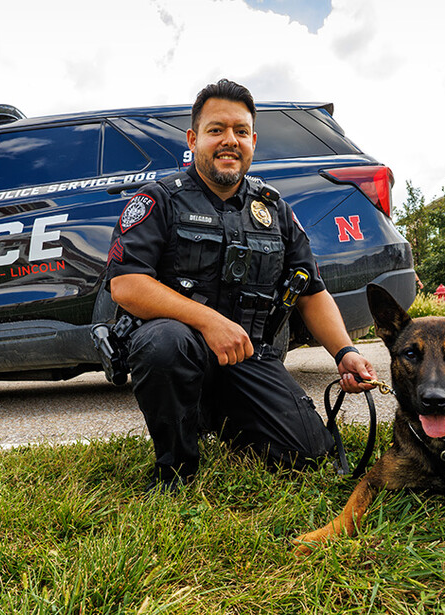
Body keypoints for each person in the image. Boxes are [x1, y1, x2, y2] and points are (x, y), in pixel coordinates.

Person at [103, 79, 376, 492]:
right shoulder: (160, 199)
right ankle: (176, 469)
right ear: (194, 139)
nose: (229, 141)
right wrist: (210, 322)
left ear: (253, 141)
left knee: (308, 454)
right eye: (216, 130)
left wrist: (346, 352)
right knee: (162, 343)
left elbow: (312, 292)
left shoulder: (275, 209)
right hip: (182, 348)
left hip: (248, 357)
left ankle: (226, 419)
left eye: (241, 131)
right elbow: (127, 285)